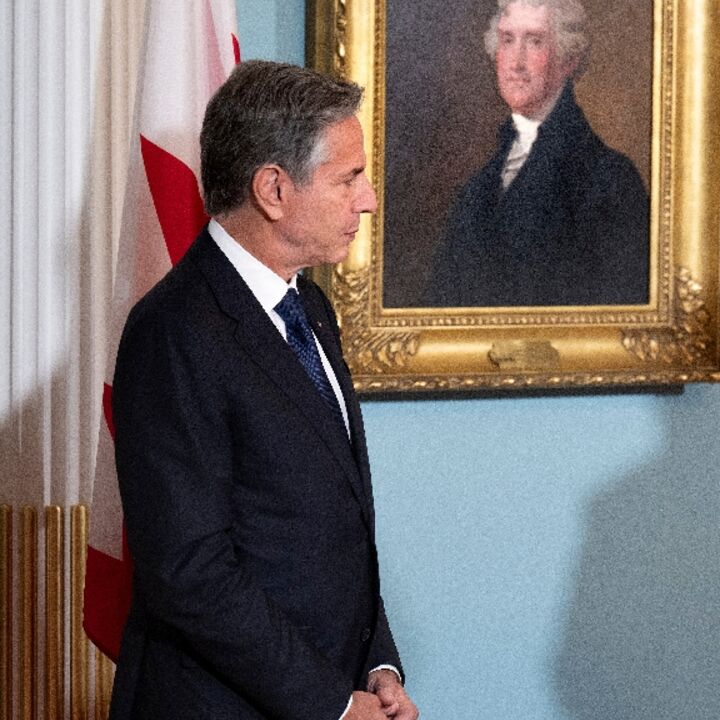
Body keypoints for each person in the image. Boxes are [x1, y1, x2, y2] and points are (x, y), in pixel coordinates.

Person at [109, 61, 419, 720]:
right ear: (273, 189)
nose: (367, 200)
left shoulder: (310, 309)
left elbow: (335, 531)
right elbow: (189, 571)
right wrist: (333, 704)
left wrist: (378, 662)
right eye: (349, 179)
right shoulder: (174, 332)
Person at [422, 0, 649, 307]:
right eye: (507, 40)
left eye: (535, 41)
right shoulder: (478, 188)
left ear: (568, 59)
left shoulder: (611, 181)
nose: (515, 62)